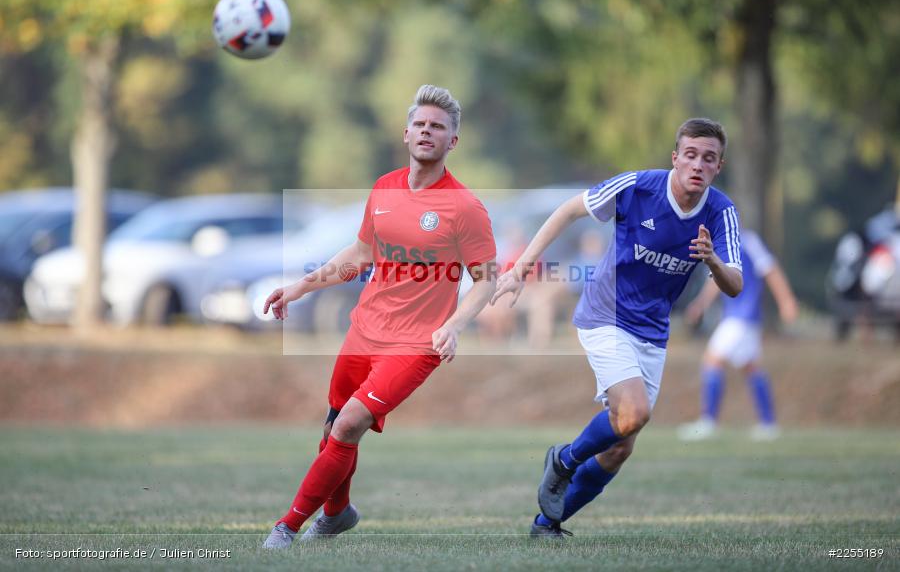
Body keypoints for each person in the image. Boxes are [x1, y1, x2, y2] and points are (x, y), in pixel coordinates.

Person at [260, 85, 497, 548]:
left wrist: (454, 324)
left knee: (350, 424)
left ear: (453, 142)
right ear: (406, 133)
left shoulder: (464, 207)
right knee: (334, 430)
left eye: (439, 127)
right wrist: (302, 286)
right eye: (421, 124)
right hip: (365, 330)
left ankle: (285, 527)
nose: (428, 131)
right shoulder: (384, 188)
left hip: (416, 344)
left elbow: (486, 278)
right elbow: (361, 252)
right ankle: (336, 513)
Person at [491, 118, 743, 537]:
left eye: (709, 158)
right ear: (675, 158)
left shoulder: (721, 212)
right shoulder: (638, 187)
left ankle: (546, 523)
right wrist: (520, 267)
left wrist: (712, 260)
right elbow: (570, 209)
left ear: (719, 166)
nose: (698, 164)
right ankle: (564, 461)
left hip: (652, 331)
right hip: (605, 314)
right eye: (691, 155)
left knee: (621, 446)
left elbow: (734, 285)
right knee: (634, 412)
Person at [678, 229, 798, 441]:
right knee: (750, 367)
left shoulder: (749, 241)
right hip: (738, 317)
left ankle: (709, 422)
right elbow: (717, 280)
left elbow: (771, 270)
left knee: (711, 360)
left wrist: (786, 301)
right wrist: (700, 304)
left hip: (742, 316)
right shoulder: (723, 246)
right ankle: (768, 424)